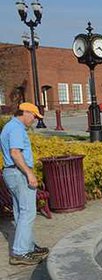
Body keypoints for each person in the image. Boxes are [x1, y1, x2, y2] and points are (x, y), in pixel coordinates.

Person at [0, 103, 49, 266]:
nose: (34, 120)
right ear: (25, 112)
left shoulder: (10, 126)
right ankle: (21, 252)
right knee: (27, 211)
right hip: (18, 173)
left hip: (11, 172)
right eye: (34, 116)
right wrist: (29, 173)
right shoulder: (16, 128)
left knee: (20, 211)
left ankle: (27, 246)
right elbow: (15, 153)